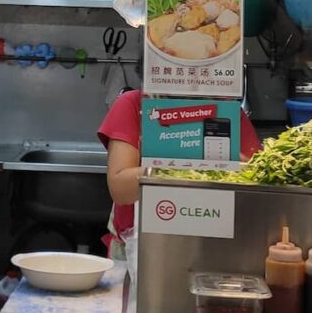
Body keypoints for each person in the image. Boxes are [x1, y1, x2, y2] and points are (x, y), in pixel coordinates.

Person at [96, 87, 260, 249]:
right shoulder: (134, 104)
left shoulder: (226, 112)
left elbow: (255, 183)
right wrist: (188, 159)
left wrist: (227, 160)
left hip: (211, 240)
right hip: (140, 244)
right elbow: (121, 189)